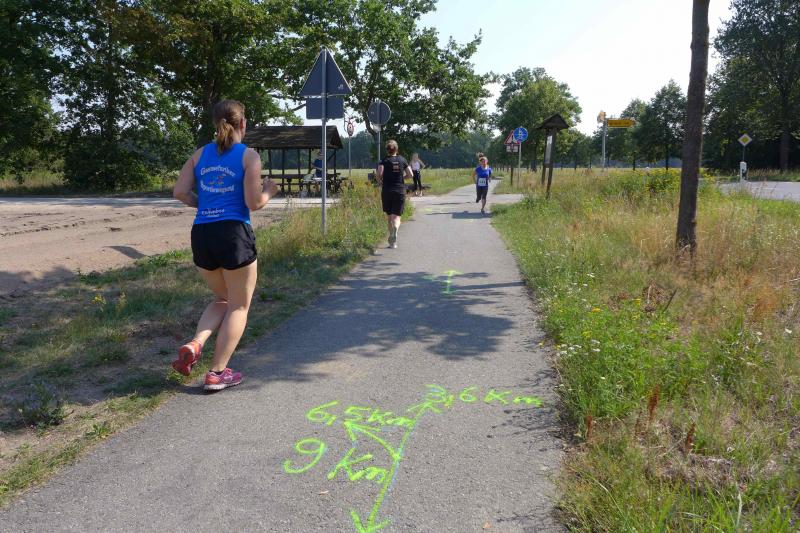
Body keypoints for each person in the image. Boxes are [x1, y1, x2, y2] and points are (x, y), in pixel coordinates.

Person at [172, 99, 278, 391]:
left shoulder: (199, 155)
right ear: (243, 123)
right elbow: (253, 203)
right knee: (239, 306)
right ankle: (217, 373)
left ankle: (196, 343)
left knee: (223, 299)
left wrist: (204, 204)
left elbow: (180, 191)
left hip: (202, 234)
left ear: (215, 123)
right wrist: (269, 191)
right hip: (233, 234)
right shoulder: (249, 156)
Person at [377, 139, 413, 249]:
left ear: (387, 150)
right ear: (397, 149)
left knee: (389, 217)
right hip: (399, 191)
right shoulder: (402, 160)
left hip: (387, 191)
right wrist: (402, 177)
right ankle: (395, 229)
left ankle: (392, 243)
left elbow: (379, 173)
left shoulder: (383, 161)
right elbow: (411, 174)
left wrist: (380, 181)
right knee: (396, 217)